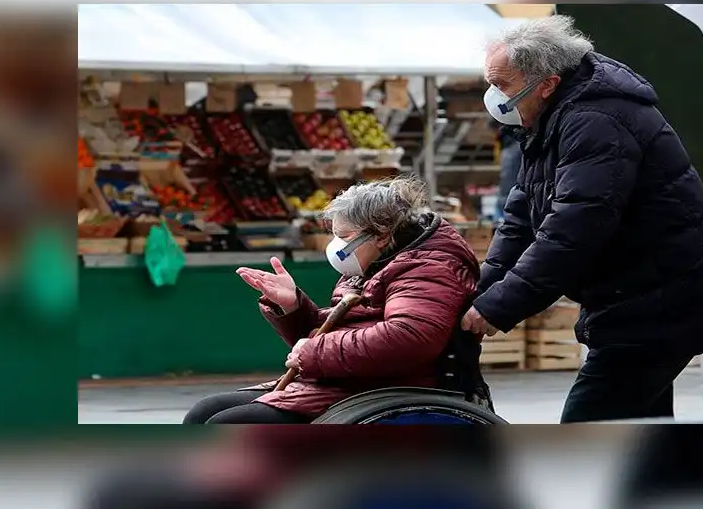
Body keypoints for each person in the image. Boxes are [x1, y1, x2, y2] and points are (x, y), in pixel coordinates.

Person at [460, 15, 703, 423]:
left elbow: (572, 231)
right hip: (639, 299)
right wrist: (480, 290)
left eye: (501, 84)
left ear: (546, 83)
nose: (493, 97)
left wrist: (497, 307)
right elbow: (521, 219)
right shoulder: (548, 120)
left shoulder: (595, 121)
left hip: (664, 301)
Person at [184, 176, 482, 424]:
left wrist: (313, 351)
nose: (336, 245)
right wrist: (292, 306)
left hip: (388, 385)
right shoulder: (376, 261)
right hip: (350, 380)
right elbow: (343, 331)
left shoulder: (428, 268)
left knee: (228, 425)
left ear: (380, 234)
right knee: (204, 412)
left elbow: (409, 337)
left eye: (344, 235)